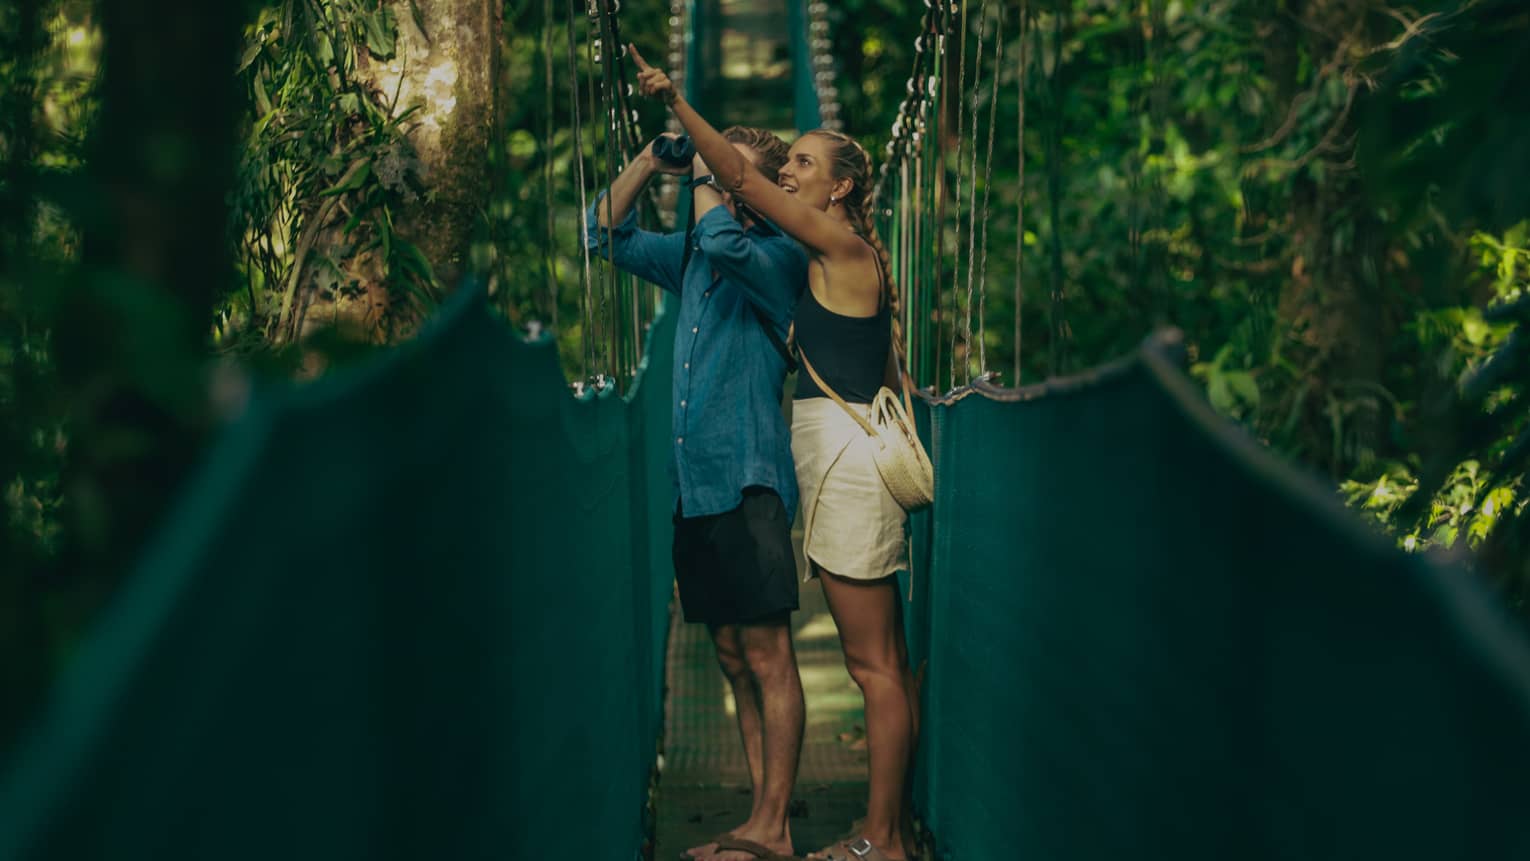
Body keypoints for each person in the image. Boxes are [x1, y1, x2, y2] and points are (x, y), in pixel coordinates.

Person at [632, 46, 919, 861]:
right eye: (786, 159)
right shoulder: (843, 260)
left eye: (803, 162)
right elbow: (885, 367)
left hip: (847, 466)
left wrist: (681, 106)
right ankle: (878, 838)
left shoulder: (838, 248)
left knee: (873, 667)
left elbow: (741, 185)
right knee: (883, 662)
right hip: (838, 464)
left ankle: (879, 844)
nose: (787, 171)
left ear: (842, 187)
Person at [585, 126, 810, 861]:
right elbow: (602, 235)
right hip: (696, 488)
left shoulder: (779, 258)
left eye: (726, 171)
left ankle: (774, 828)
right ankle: (759, 820)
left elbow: (723, 239)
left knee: (770, 656)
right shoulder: (690, 259)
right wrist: (653, 160)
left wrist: (717, 173)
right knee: (732, 656)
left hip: (749, 482)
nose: (711, 179)